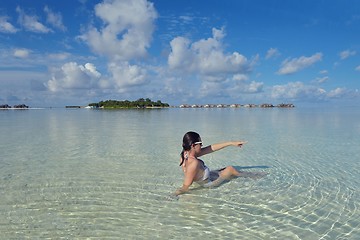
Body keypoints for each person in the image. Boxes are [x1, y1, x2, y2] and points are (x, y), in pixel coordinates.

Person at [174, 131, 263, 196]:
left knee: (223, 170)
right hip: (208, 183)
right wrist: (174, 195)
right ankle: (251, 176)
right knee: (230, 169)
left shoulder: (185, 154)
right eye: (200, 143)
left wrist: (231, 143)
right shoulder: (193, 163)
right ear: (193, 146)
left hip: (203, 178)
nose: (202, 145)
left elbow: (211, 148)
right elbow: (185, 186)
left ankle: (243, 175)